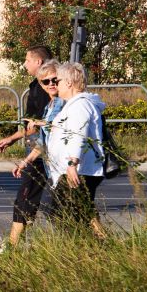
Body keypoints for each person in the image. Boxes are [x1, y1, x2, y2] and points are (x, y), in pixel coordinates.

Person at [0, 45, 55, 246]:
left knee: (26, 196)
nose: (24, 64)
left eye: (27, 60)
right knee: (39, 198)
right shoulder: (38, 87)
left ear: (38, 62)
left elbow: (37, 126)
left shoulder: (43, 89)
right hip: (41, 148)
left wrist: (14, 138)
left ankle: (12, 246)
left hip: (44, 149)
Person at [45, 61, 108, 238]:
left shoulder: (80, 105)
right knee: (77, 212)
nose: (55, 85)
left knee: (61, 212)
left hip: (77, 170)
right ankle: (94, 244)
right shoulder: (75, 104)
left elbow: (78, 133)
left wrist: (73, 163)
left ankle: (87, 245)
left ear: (69, 83)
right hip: (74, 170)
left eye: (57, 81)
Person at [7, 59, 63, 245]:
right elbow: (43, 141)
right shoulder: (51, 105)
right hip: (55, 166)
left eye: (54, 80)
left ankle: (12, 246)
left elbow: (63, 128)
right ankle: (95, 244)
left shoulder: (63, 103)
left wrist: (43, 123)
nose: (51, 84)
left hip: (67, 165)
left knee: (56, 207)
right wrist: (25, 161)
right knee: (66, 208)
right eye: (45, 82)